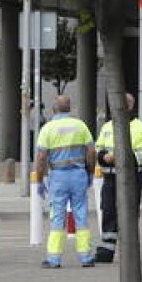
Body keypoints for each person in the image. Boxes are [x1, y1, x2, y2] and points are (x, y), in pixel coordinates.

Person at [35, 94, 96, 268]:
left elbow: (41, 157)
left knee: (58, 217)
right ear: (70, 108)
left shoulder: (48, 128)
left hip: (59, 177)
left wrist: (39, 180)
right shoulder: (80, 125)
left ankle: (54, 258)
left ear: (54, 108)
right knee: (81, 214)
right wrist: (90, 171)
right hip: (78, 175)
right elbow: (91, 151)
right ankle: (85, 256)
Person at [94, 93, 142, 263]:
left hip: (131, 177)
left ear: (127, 107)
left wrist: (120, 157)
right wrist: (103, 156)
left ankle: (129, 251)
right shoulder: (107, 127)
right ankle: (106, 251)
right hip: (110, 176)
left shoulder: (140, 128)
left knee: (128, 213)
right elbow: (99, 148)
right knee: (108, 211)